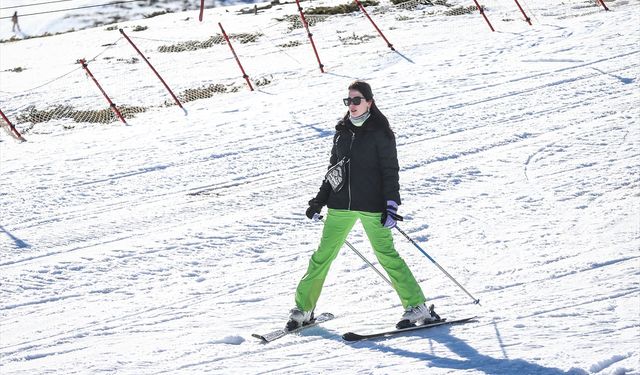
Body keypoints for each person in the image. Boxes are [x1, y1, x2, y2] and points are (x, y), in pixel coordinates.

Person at [287, 80, 438, 331]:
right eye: (348, 101)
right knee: (321, 257)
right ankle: (304, 309)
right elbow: (333, 171)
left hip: (372, 206)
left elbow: (390, 171)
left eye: (357, 100)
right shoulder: (342, 132)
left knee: (387, 256)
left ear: (369, 102)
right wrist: (319, 200)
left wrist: (391, 205)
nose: (352, 105)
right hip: (340, 206)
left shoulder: (381, 132)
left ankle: (417, 305)